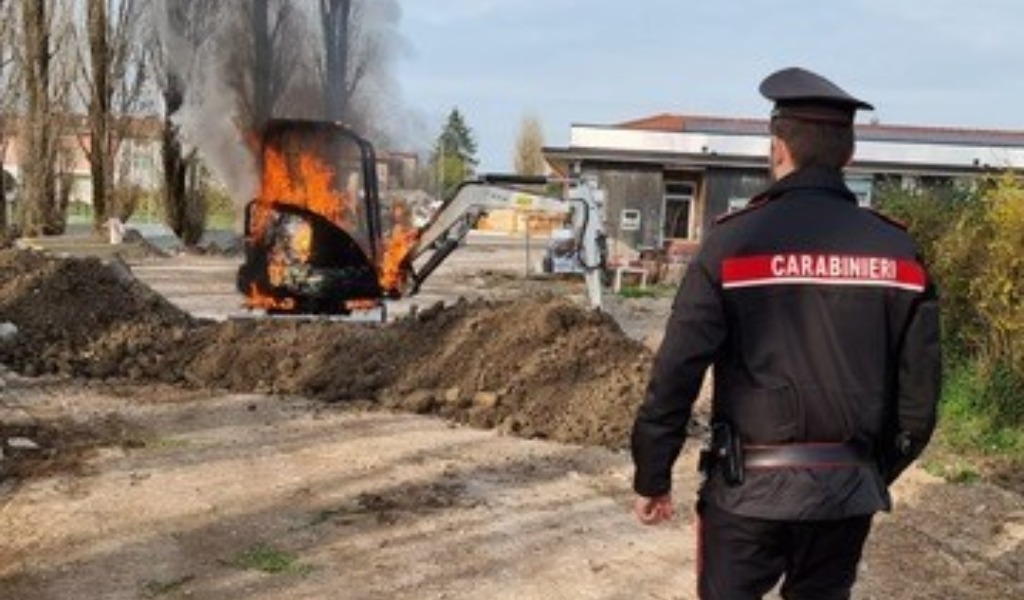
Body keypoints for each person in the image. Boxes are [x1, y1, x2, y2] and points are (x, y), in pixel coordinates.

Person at [630, 66, 941, 599]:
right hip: (845, 493)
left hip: (746, 493)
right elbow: (920, 398)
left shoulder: (733, 244)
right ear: (849, 154)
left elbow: (677, 369)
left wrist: (653, 475)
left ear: (778, 149)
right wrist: (866, 472)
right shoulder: (899, 253)